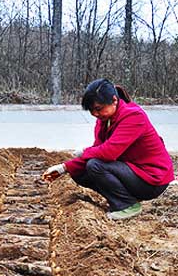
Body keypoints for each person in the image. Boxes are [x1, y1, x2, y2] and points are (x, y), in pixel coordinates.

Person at [43, 78, 174, 220]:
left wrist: (80, 156)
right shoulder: (105, 119)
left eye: (98, 109)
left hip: (151, 178)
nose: (95, 114)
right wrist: (65, 168)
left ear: (114, 100)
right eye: (91, 110)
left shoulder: (134, 116)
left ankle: (127, 205)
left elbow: (108, 152)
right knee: (79, 171)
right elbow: (99, 148)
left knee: (95, 165)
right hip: (132, 170)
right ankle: (120, 199)